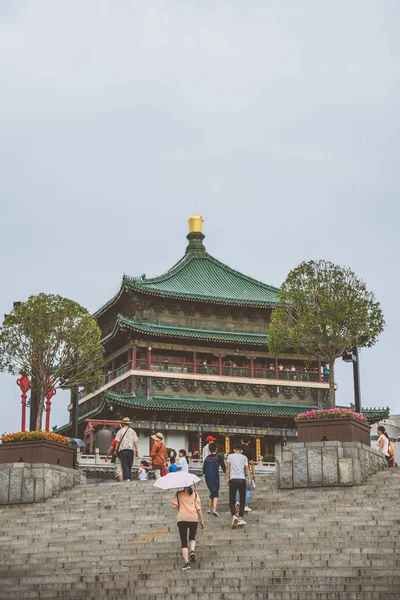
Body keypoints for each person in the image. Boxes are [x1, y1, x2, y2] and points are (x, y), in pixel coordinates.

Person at [172, 486, 205, 571]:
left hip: (182, 519)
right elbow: (198, 508)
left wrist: (180, 501)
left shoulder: (178, 493)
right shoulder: (195, 494)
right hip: (193, 518)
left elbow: (174, 505)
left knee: (184, 541)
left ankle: (187, 563)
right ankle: (192, 550)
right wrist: (201, 519)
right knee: (192, 537)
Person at [226, 444, 251, 528]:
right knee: (242, 499)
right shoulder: (244, 457)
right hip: (242, 479)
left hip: (233, 479)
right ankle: (240, 517)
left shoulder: (230, 456)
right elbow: (247, 468)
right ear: (241, 451)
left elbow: (228, 467)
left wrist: (227, 478)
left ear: (234, 450)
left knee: (232, 499)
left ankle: (233, 516)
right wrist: (249, 479)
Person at [203, 442, 226, 517]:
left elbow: (203, 470)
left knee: (212, 491)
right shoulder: (218, 457)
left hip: (207, 477)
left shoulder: (206, 458)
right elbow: (224, 467)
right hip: (214, 476)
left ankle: (209, 508)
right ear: (216, 449)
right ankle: (214, 509)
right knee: (215, 491)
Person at [114, 418, 139, 482]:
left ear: (122, 423)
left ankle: (127, 478)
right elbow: (135, 441)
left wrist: (115, 450)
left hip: (123, 450)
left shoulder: (120, 431)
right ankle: (128, 478)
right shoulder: (133, 431)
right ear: (129, 423)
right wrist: (136, 449)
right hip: (131, 450)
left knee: (125, 464)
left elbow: (117, 441)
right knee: (129, 464)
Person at [235, 435, 256, 512]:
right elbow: (252, 463)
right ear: (249, 442)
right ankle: (245, 505)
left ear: (241, 440)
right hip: (246, 471)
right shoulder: (250, 450)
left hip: (237, 470)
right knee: (248, 488)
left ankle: (237, 501)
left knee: (237, 487)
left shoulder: (238, 449)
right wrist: (254, 475)